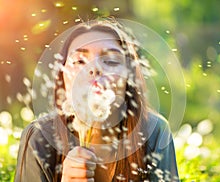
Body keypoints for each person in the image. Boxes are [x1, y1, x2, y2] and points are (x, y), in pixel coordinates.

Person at [15, 17, 179, 182]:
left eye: (110, 61)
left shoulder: (155, 132)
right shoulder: (38, 138)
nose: (93, 69)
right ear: (62, 76)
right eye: (79, 61)